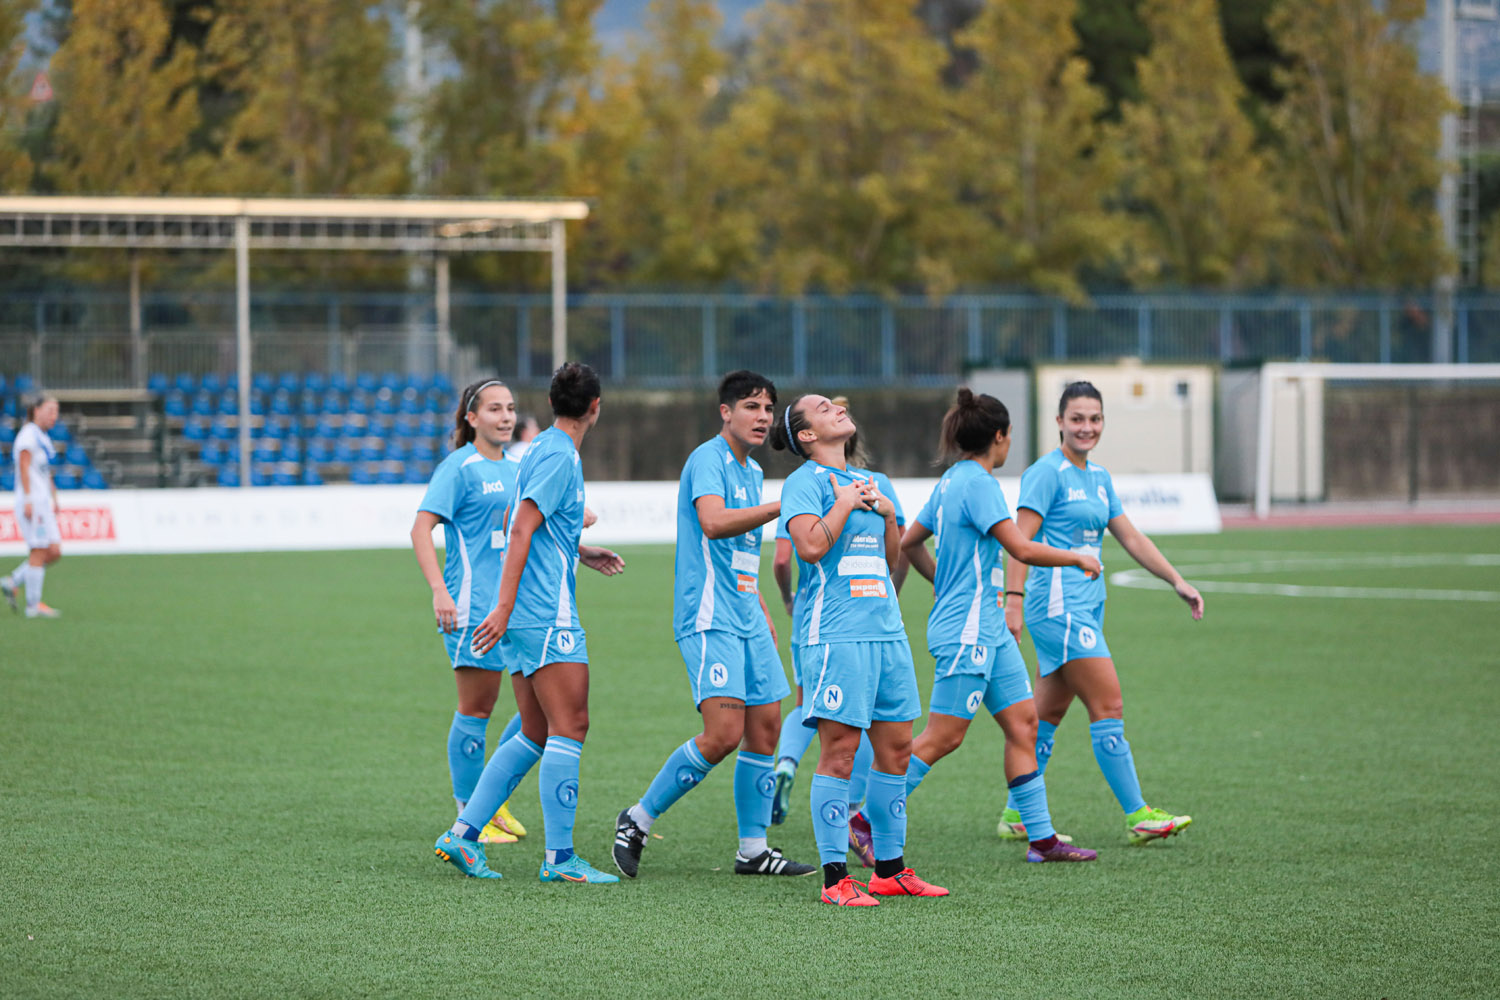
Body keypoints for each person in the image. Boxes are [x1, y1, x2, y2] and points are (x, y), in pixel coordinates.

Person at [611, 370, 815, 880]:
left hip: (746, 615)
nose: (762, 417)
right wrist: (784, 506)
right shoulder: (708, 459)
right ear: (726, 412)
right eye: (751, 407)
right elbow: (713, 522)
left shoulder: (752, 470)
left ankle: (753, 850)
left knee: (765, 727)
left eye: (768, 409)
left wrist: (761, 605)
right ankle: (637, 819)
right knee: (723, 734)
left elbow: (741, 554)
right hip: (708, 617)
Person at [432, 363, 626, 884]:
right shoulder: (560, 455)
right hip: (543, 612)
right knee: (571, 725)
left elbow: (513, 520)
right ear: (595, 407)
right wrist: (502, 606)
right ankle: (559, 860)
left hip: (525, 613)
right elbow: (519, 528)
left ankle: (463, 833)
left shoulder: (537, 448)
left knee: (536, 730)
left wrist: (577, 550)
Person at [898, 388, 1101, 863]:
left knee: (1024, 724)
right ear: (999, 436)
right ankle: (866, 820)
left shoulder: (952, 480)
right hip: (967, 631)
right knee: (944, 736)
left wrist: (944, 581)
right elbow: (1022, 548)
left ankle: (1042, 840)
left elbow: (910, 541)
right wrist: (1076, 557)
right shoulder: (979, 483)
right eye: (1009, 435)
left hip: (989, 629)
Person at [998, 381, 1203, 845]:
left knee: (1046, 716)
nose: (1086, 427)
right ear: (1059, 422)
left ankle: (1016, 813)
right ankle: (1138, 815)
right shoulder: (1045, 474)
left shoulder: (1098, 477)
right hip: (1058, 608)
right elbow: (1019, 542)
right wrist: (1013, 599)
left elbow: (1131, 537)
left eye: (1094, 419)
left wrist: (1176, 580)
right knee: (1108, 706)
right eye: (1077, 419)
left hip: (1085, 607)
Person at [771, 393, 946, 906]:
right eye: (823, 408)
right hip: (836, 636)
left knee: (896, 750)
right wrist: (845, 502)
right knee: (840, 754)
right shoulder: (804, 483)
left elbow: (891, 564)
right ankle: (835, 880)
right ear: (807, 435)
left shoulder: (877, 481)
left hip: (887, 633)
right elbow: (808, 548)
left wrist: (889, 517)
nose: (837, 408)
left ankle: (889, 870)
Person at [410, 379, 528, 847]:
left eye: (511, 408)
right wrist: (439, 591)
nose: (506, 417)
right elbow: (420, 529)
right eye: (495, 409)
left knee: (539, 708)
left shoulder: (519, 468)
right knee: (477, 709)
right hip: (472, 607)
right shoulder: (458, 468)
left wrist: (581, 549)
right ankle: (469, 815)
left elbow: (524, 532)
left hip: (518, 607)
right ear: (471, 418)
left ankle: (490, 798)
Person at [1, 394, 63, 618]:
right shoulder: (28, 435)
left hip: (42, 501)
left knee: (54, 551)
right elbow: (24, 467)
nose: (54, 416)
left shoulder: (42, 436)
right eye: (50, 410)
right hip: (33, 501)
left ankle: (13, 580)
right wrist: (28, 498)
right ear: (36, 410)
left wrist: (54, 497)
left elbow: (45, 472)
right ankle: (33, 605)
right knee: (39, 549)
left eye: (56, 412)